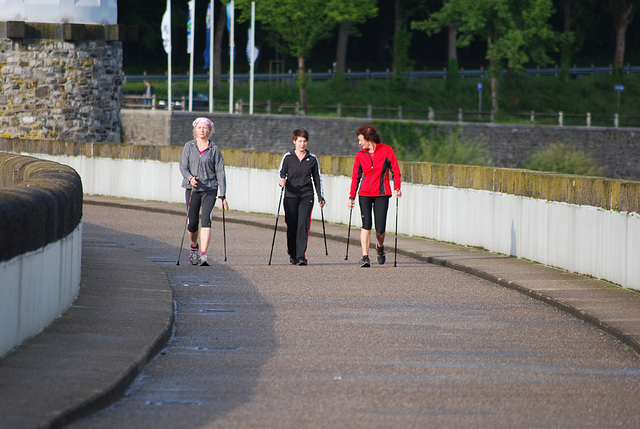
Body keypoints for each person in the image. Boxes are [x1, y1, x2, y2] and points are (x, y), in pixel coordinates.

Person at [348, 123, 402, 267]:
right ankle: (365, 257)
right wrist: (351, 197)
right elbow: (355, 177)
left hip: (382, 193)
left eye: (361, 139)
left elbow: (395, 171)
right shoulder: (360, 154)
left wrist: (397, 187)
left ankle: (380, 247)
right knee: (366, 225)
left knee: (380, 229)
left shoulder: (387, 151)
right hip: (364, 194)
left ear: (368, 138)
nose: (359, 143)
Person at [179, 117, 228, 266]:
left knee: (206, 220)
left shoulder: (214, 149)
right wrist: (189, 178)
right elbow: (183, 166)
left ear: (209, 130)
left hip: (210, 189)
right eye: (199, 128)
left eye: (205, 128)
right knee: (192, 223)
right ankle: (194, 247)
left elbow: (220, 171)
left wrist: (223, 194)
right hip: (192, 188)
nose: (202, 130)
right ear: (195, 129)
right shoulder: (189, 146)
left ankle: (203, 255)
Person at [278, 128, 326, 266]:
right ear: (294, 141)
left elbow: (318, 179)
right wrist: (281, 181)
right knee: (292, 226)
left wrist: (320, 197)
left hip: (306, 195)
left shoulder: (312, 159)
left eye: (304, 141)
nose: (302, 144)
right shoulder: (287, 158)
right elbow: (281, 174)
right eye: (299, 141)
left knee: (303, 225)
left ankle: (301, 256)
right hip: (291, 195)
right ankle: (292, 252)